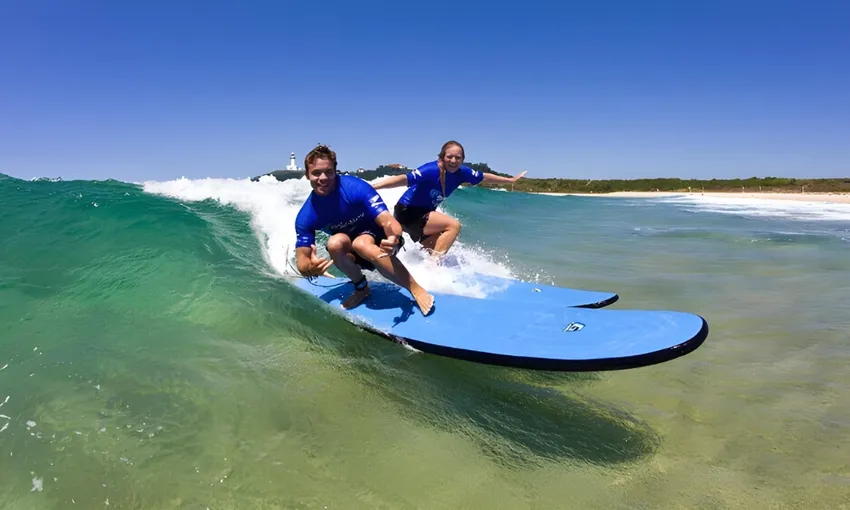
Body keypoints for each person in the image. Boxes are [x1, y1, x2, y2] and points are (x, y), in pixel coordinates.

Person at [294, 144, 435, 316]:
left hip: (383, 241)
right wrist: (309, 268)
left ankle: (415, 288)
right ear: (307, 175)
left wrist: (394, 237)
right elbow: (302, 261)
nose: (323, 178)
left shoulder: (355, 187)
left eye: (328, 172)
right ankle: (362, 288)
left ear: (335, 171)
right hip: (355, 253)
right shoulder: (307, 215)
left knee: (362, 243)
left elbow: (389, 222)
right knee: (334, 243)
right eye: (316, 173)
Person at [372, 140, 526, 260]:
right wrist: (375, 186)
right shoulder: (431, 170)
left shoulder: (462, 172)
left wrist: (510, 180)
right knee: (453, 225)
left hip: (422, 214)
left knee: (434, 246)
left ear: (463, 159)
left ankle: (418, 269)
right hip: (408, 212)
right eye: (449, 156)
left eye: (458, 157)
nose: (453, 160)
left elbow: (484, 177)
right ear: (441, 158)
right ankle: (433, 266)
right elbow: (403, 179)